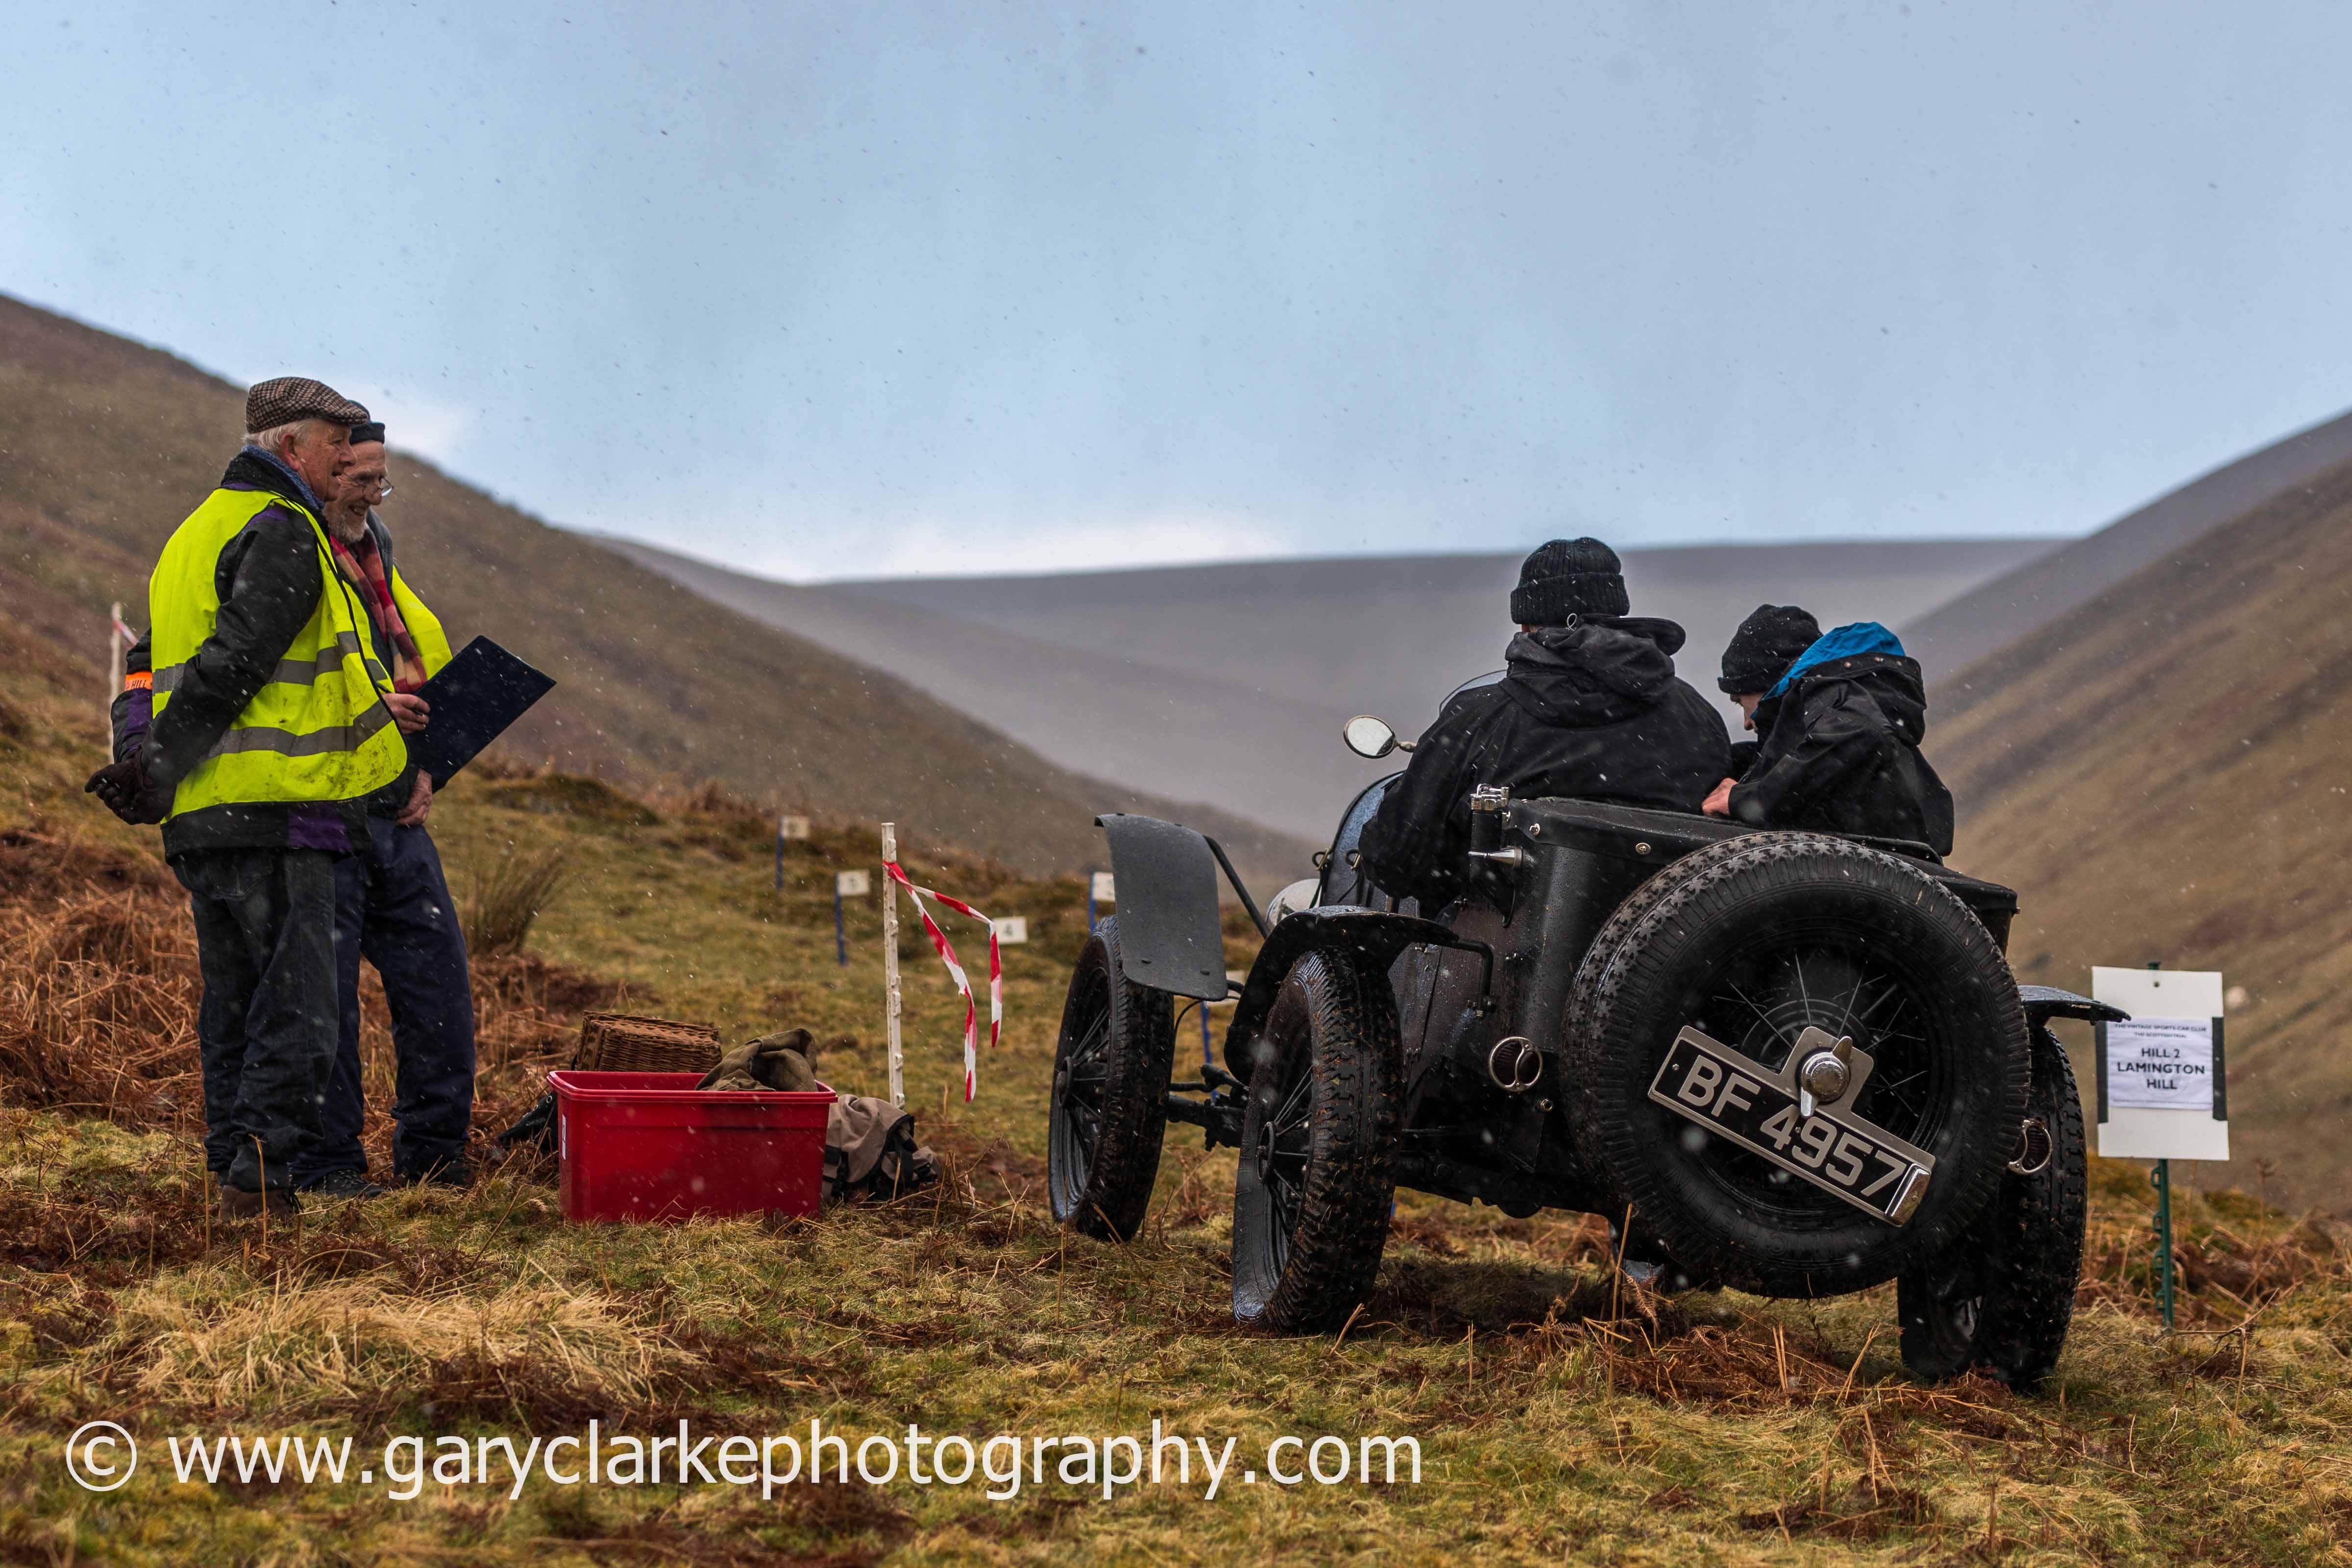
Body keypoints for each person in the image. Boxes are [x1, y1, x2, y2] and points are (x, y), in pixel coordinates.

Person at [110, 423, 477, 1196]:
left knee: (435, 992)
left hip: (385, 812)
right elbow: (180, 664)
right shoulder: (281, 541)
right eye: (354, 475)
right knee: (313, 1007)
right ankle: (317, 1168)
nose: (368, 492)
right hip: (305, 811)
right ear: (315, 467)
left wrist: (424, 761)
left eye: (380, 479)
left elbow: (377, 677)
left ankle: (436, 1160)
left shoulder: (378, 567)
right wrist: (147, 759)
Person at [1360, 538, 1728, 908]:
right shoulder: (1697, 715)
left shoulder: (1480, 718)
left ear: (1525, 623)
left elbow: (1393, 860)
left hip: (1503, 953)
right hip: (1674, 944)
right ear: (1616, 613)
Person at [1702, 608, 1955, 855]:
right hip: (1886, 869)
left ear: (1768, 686)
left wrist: (1749, 799)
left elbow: (1860, 735)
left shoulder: (1832, 696)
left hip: (1879, 877)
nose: (1747, 722)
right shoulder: (1825, 705)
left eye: (1740, 702)